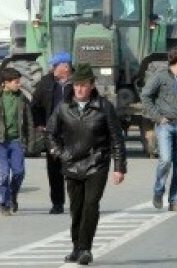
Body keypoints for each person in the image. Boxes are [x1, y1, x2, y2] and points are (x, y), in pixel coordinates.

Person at [48, 63, 126, 266]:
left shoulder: (104, 107)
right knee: (76, 208)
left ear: (92, 85)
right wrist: (60, 153)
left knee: (91, 206)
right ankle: (76, 247)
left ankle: (85, 249)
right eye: (76, 85)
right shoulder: (63, 108)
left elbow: (116, 139)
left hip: (96, 163)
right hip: (71, 164)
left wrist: (119, 167)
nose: (80, 89)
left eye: (84, 85)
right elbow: (51, 135)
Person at [140, 47, 177, 213]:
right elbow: (146, 95)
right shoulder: (161, 76)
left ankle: (175, 199)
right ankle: (158, 189)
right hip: (166, 125)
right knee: (165, 159)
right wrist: (157, 117)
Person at [31, 51, 74, 214]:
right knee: (54, 169)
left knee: (73, 168)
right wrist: (40, 123)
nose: (52, 69)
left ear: (66, 67)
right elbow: (35, 104)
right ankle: (57, 203)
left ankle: (76, 201)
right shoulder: (46, 82)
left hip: (73, 132)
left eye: (55, 66)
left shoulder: (79, 83)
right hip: (53, 132)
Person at [0, 67, 34, 216]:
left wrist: (31, 142)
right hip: (1, 142)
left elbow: (29, 122)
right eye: (16, 82)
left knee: (19, 172)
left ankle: (13, 194)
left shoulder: (22, 99)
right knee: (4, 175)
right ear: (5, 83)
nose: (18, 85)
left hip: (16, 141)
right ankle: (4, 203)